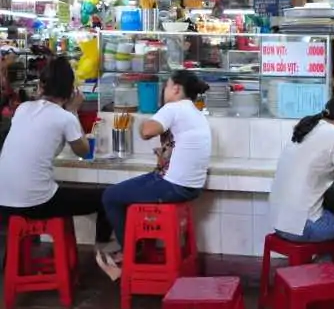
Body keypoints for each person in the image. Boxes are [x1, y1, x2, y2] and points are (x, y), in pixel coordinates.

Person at [98, 70, 211, 280]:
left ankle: (129, 253)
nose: (164, 91)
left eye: (166, 86)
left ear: (176, 89)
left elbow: (147, 131)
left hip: (172, 186)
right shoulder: (196, 112)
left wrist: (142, 122)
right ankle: (136, 246)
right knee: (130, 193)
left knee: (110, 196)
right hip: (192, 187)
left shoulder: (174, 107)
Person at [0, 57, 113, 255]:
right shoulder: (64, 117)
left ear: (42, 85)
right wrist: (73, 110)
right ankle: (103, 253)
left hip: (4, 202)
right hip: (37, 204)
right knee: (108, 196)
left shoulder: (22, 109)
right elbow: (84, 151)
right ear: (71, 90)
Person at [268, 94, 334, 265]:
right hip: (302, 227)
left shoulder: (307, 128)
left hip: (278, 221)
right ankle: (323, 267)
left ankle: (330, 263)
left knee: (333, 214)